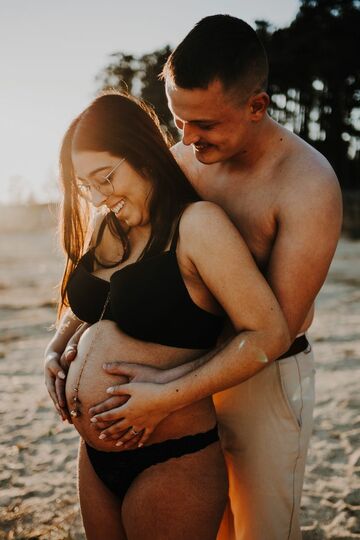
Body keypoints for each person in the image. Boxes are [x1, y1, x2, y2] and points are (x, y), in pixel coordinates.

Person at [63, 15, 341, 540]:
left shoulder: (307, 185)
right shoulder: (184, 159)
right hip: (183, 376)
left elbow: (272, 327)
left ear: (257, 106)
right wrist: (74, 338)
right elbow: (130, 266)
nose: (187, 138)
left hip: (264, 376)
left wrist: (168, 390)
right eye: (178, 120)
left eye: (205, 124)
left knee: (260, 527)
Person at [44, 91, 290, 539]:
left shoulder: (198, 226)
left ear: (141, 152)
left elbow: (269, 334)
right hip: (95, 459)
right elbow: (90, 307)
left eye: (105, 177)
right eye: (86, 186)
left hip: (171, 457)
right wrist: (56, 347)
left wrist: (166, 395)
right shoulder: (110, 228)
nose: (99, 198)